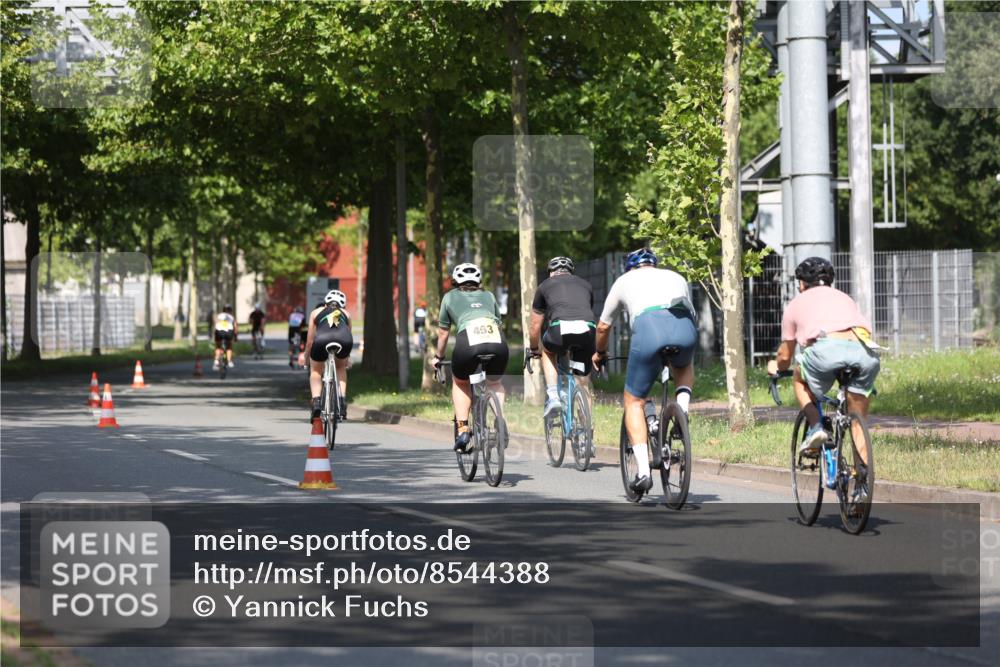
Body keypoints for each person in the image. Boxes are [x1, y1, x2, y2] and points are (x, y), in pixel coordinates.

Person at [593, 248, 697, 494]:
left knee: (634, 401)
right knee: (683, 366)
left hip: (650, 328)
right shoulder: (676, 277)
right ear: (654, 264)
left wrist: (600, 352)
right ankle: (681, 411)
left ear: (630, 267)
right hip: (685, 327)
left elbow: (603, 326)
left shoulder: (623, 281)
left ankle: (642, 473)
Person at [766, 257, 879, 469]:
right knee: (857, 420)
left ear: (801, 284)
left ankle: (817, 426)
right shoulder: (844, 297)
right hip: (865, 351)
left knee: (800, 379)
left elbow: (785, 356)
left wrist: (776, 367)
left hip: (828, 350)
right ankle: (863, 483)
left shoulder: (795, 304)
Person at [434, 263, 508, 452]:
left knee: (460, 382)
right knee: (494, 383)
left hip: (467, 340)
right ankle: (500, 421)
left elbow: (443, 334)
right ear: (478, 281)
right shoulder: (489, 296)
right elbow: (499, 324)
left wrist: (438, 357)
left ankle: (464, 429)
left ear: (455, 281)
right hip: (496, 340)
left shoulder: (449, 297)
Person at [528, 256, 596, 419]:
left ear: (551, 272)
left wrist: (533, 348)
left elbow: (535, 326)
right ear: (570, 272)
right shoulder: (585, 284)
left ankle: (553, 396)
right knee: (583, 381)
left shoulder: (544, 286)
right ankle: (586, 432)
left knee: (548, 351)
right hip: (587, 330)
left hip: (559, 330)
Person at [301, 290, 354, 421]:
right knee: (341, 367)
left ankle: (317, 402)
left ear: (325, 303)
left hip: (322, 340)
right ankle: (341, 402)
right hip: (344, 341)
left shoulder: (316, 312)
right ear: (343, 305)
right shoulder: (346, 314)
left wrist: (307, 357)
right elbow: (348, 334)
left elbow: (309, 341)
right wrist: (348, 358)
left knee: (316, 371)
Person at [213, 305, 238, 370]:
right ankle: (229, 361)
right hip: (228, 332)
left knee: (218, 346)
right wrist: (235, 336)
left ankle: (216, 361)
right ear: (230, 310)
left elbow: (215, 324)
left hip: (219, 331)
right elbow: (235, 327)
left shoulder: (219, 315)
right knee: (229, 346)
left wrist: (214, 334)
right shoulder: (231, 317)